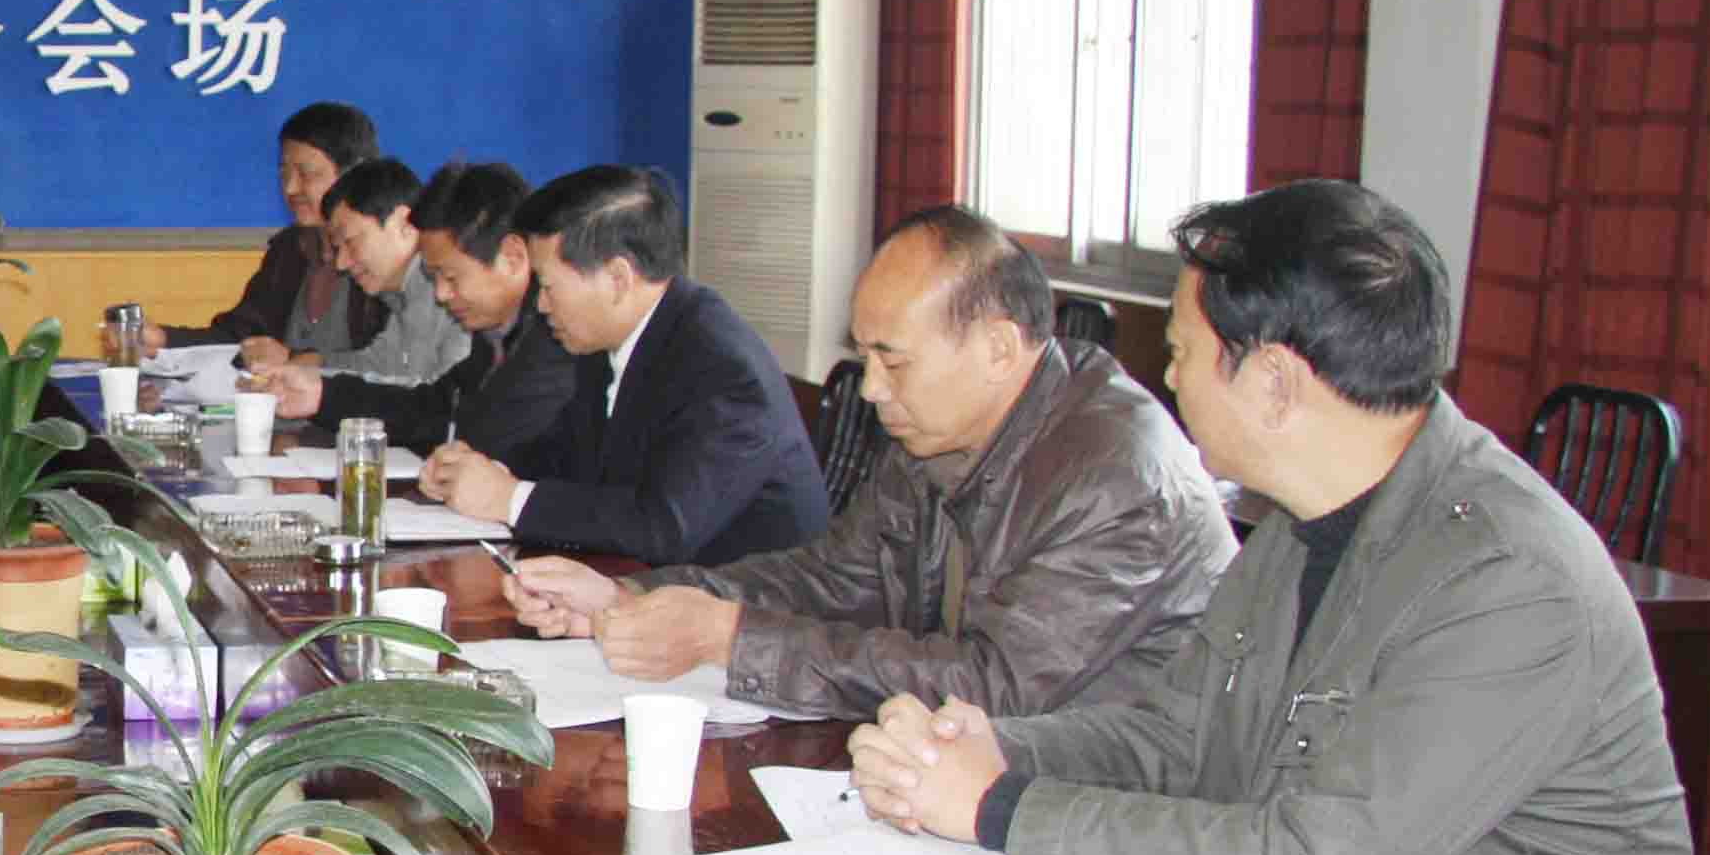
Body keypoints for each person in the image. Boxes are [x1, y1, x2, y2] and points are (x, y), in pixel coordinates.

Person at [847, 180, 1698, 855]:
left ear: (1275, 382)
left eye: (1180, 351)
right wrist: (1000, 748)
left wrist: (999, 808)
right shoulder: (1301, 527)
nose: (1168, 378)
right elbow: (1177, 742)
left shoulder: (1509, 583)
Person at [502, 205, 1234, 716]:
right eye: (865, 356)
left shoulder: (1112, 474)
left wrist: (729, 637)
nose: (873, 389)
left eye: (894, 360)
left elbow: (999, 687)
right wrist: (636, 600)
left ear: (998, 348)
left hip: (1111, 814)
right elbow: (834, 578)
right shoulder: (935, 430)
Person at [420, 165, 823, 566]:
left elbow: (664, 525)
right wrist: (480, 471)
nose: (540, 305)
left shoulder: (723, 368)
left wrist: (510, 499)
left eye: (548, 285)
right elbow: (566, 458)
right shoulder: (609, 340)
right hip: (647, 580)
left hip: (742, 594)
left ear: (617, 279)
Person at [254, 160, 575, 459]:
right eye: (434, 278)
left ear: (513, 258)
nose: (441, 294)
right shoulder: (494, 336)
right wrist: (321, 394)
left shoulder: (556, 338)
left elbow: (478, 437)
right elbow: (432, 407)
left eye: (451, 277)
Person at [144, 101, 391, 371]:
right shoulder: (290, 249)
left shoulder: (385, 257)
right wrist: (162, 339)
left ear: (353, 173)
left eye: (306, 173)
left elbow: (391, 364)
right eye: (284, 173)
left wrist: (293, 359)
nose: (290, 188)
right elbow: (240, 338)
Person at [300, 156, 470, 385]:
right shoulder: (403, 292)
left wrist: (319, 385)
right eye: (338, 248)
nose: (341, 263)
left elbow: (446, 397)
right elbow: (377, 365)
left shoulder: (452, 291)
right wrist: (309, 366)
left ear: (403, 223)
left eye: (350, 241)